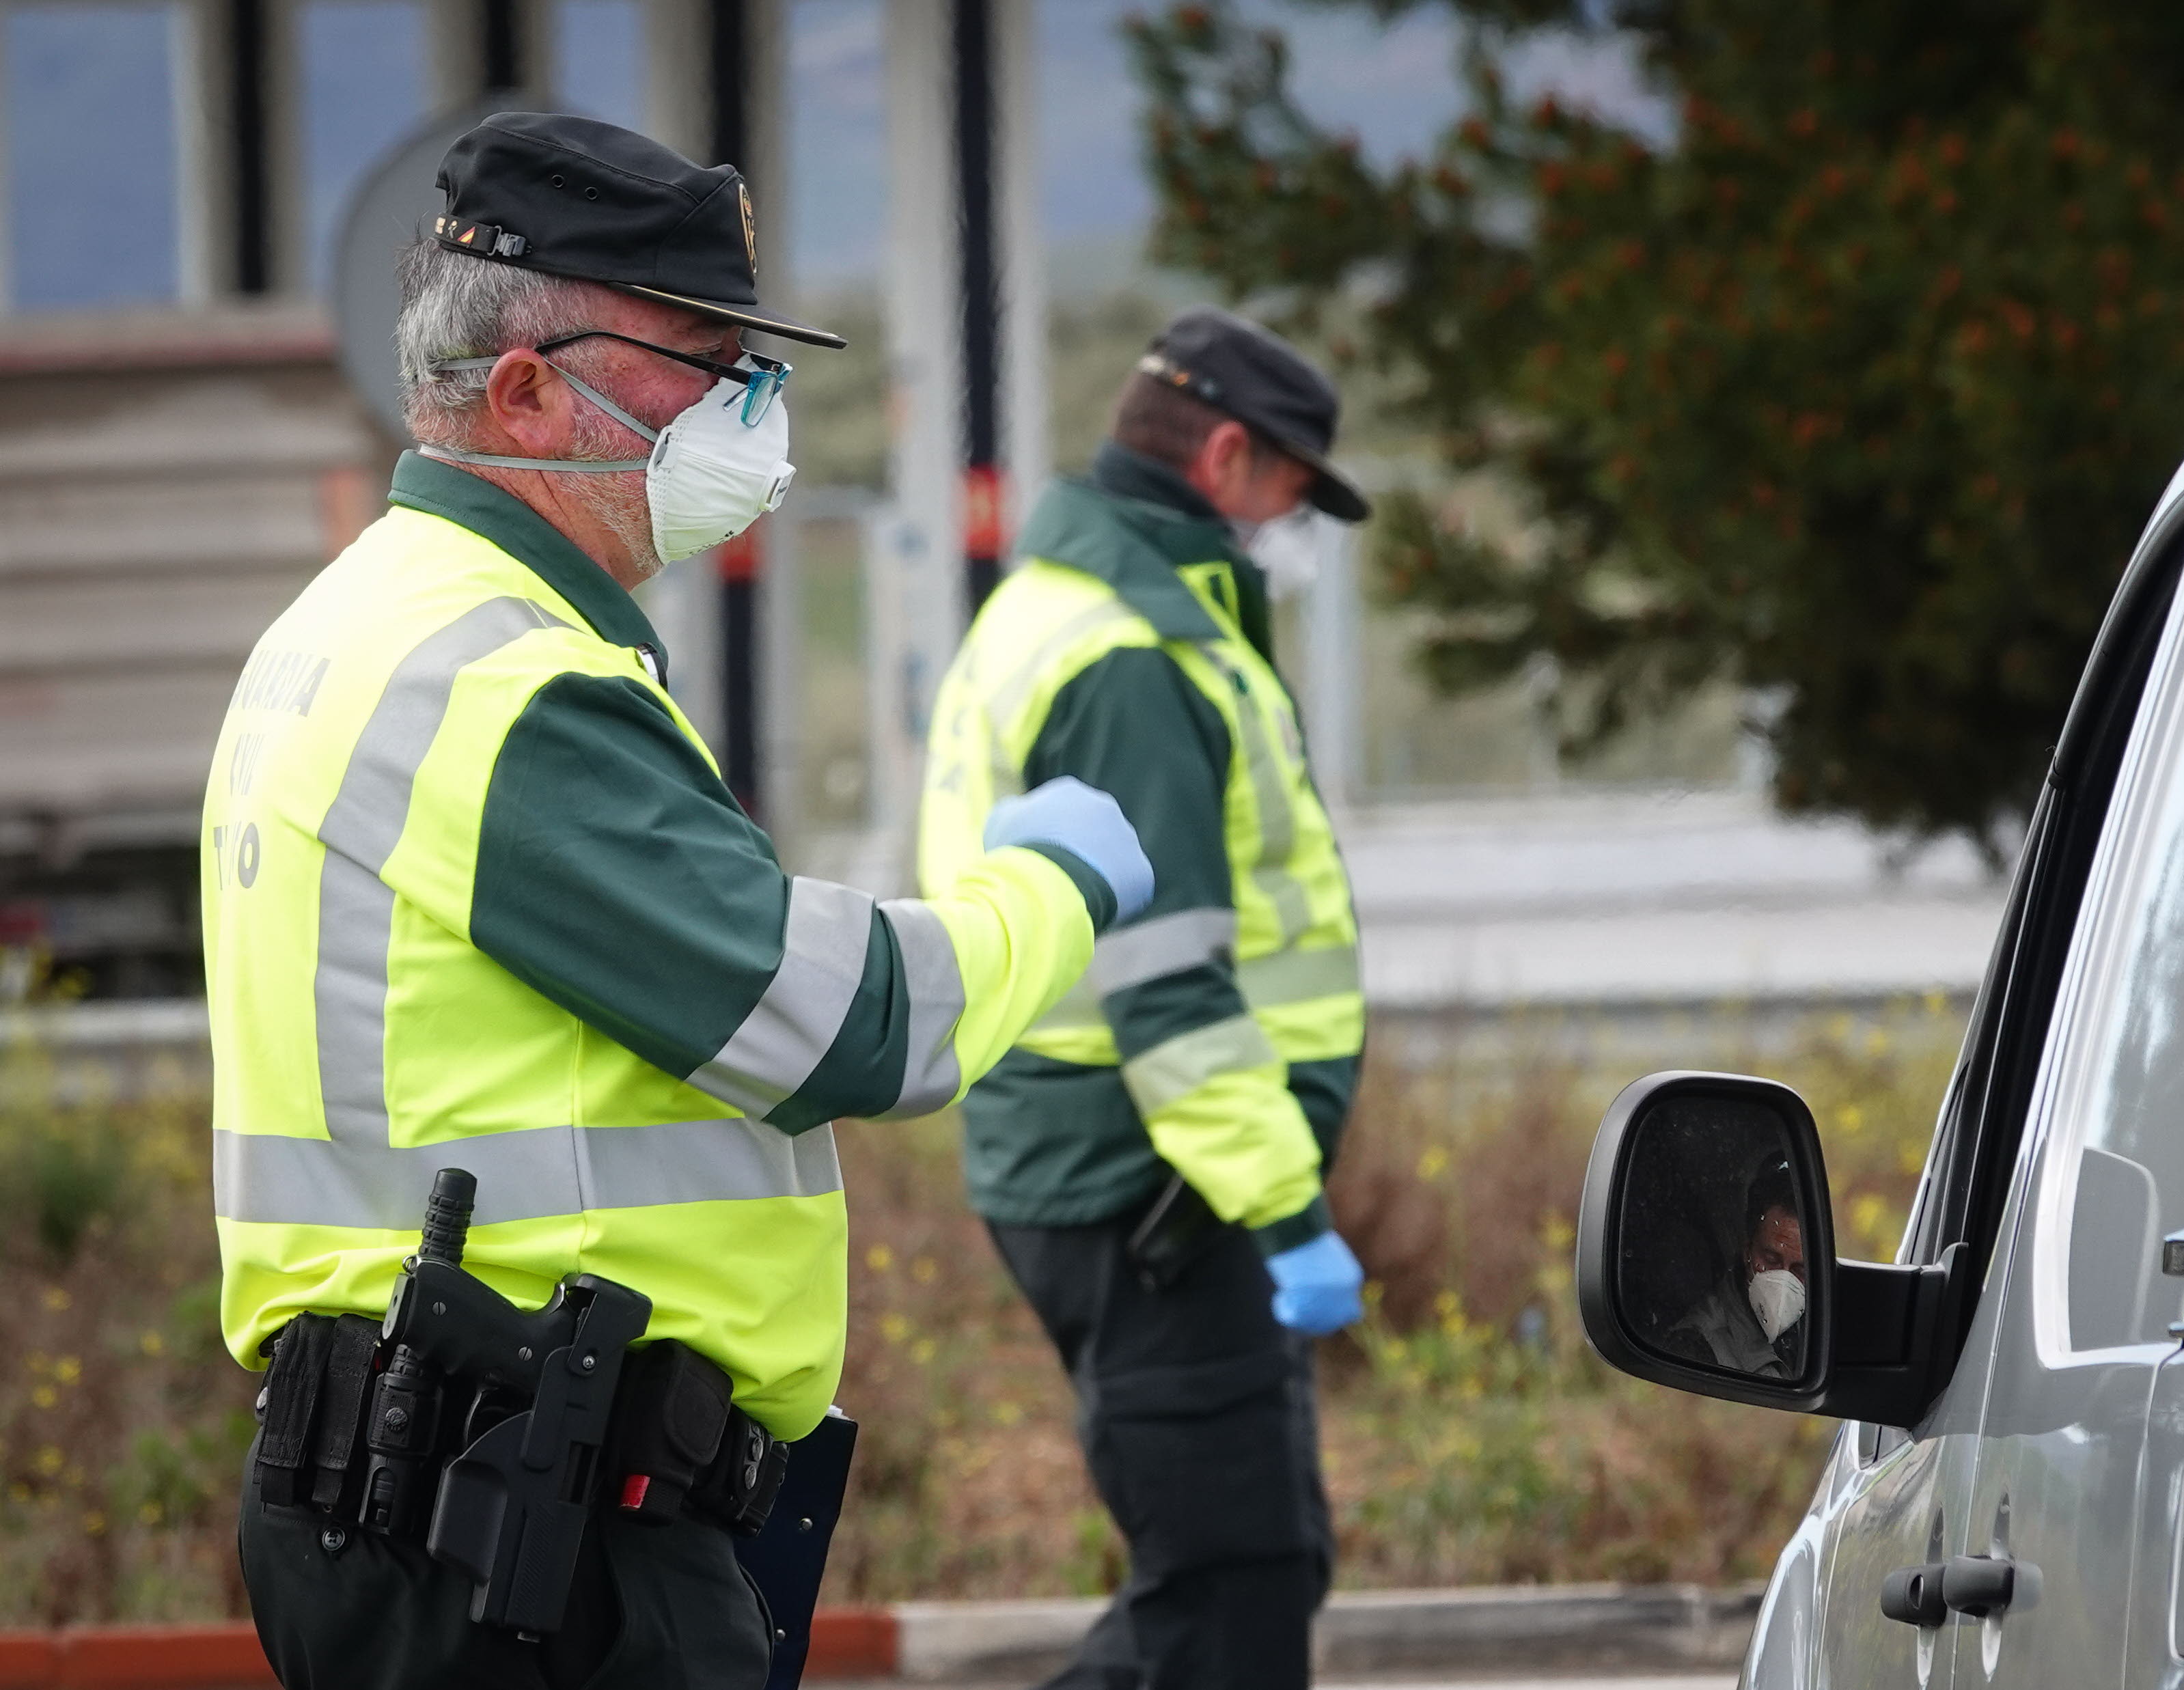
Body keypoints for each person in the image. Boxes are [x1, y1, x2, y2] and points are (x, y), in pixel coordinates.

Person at [206, 113, 1152, 1690]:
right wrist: (1050, 886)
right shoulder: (497, 680)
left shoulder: (359, 624)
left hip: (431, 1498)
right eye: (704, 360)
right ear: (521, 392)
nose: (752, 405)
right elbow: (850, 1024)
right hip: (526, 1537)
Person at [917, 307, 1374, 1690]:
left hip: (1126, 1180)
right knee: (1228, 1596)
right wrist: (1285, 1213)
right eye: (1292, 487)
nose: (1289, 523)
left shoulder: (1074, 609)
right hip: (1162, 1189)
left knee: (1252, 1569)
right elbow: (1166, 988)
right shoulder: (1128, 656)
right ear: (1227, 456)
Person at [1661, 1159, 1808, 1379]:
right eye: (1771, 1260)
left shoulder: (1815, 1323)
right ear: (1747, 1251)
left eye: (1800, 1270)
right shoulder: (1696, 1349)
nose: (1784, 1279)